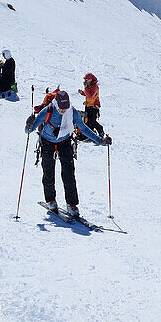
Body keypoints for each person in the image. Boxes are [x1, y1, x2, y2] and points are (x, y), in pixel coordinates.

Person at [25, 90, 111, 218]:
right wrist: (28, 124)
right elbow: (28, 130)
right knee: (48, 172)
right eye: (60, 108)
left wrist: (98, 140)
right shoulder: (47, 111)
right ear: (55, 104)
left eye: (65, 108)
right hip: (47, 143)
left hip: (65, 142)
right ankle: (51, 200)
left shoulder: (72, 111)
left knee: (69, 174)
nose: (63, 111)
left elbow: (83, 128)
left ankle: (71, 204)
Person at [77, 72, 103, 136]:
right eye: (85, 79)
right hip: (88, 105)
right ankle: (91, 134)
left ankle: (101, 131)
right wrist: (82, 93)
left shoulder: (95, 87)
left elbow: (90, 96)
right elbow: (87, 94)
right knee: (88, 122)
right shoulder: (89, 86)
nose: (86, 81)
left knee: (93, 122)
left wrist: (85, 88)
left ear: (91, 79)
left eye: (87, 79)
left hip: (94, 106)